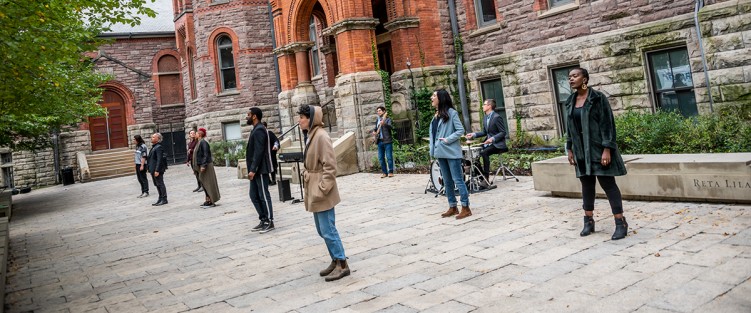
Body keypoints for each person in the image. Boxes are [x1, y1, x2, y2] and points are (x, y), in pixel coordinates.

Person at [565, 67, 629, 240]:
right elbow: (569, 129)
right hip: (580, 152)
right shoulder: (570, 101)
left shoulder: (597, 98)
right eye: (569, 76)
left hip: (598, 150)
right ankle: (588, 221)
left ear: (585, 79)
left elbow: (607, 124)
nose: (571, 79)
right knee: (587, 185)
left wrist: (607, 148)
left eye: (575, 76)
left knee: (608, 185)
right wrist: (569, 148)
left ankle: (620, 222)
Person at [297, 104, 350, 282]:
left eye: (302, 117)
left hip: (321, 189)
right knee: (322, 230)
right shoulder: (311, 135)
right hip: (313, 186)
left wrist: (323, 187)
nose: (299, 120)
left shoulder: (321, 136)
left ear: (310, 119)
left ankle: (342, 264)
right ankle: (335, 260)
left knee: (328, 229)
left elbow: (330, 165)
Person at [430, 89, 471, 219]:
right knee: (447, 181)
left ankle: (466, 207)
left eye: (434, 95)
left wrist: (447, 139)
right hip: (440, 152)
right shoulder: (435, 116)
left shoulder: (451, 113)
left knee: (457, 180)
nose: (432, 97)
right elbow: (433, 135)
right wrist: (432, 150)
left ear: (441, 98)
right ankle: (452, 206)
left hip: (451, 152)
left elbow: (460, 130)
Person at [465, 99, 507, 189]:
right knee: (472, 153)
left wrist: (492, 139)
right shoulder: (485, 117)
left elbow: (503, 132)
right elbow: (484, 132)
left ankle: (486, 179)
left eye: (484, 104)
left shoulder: (497, 117)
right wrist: (474, 134)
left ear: (489, 106)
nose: (482, 106)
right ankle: (480, 177)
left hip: (498, 144)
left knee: (484, 153)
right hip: (487, 143)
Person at [246, 107, 275, 233]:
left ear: (254, 116)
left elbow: (258, 152)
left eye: (248, 115)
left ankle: (270, 221)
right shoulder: (255, 129)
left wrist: (253, 169)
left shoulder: (259, 130)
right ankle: (263, 219)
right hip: (255, 170)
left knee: (263, 195)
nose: (246, 117)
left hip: (260, 169)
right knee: (253, 195)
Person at [193, 128, 220, 208]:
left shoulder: (203, 143)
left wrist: (203, 165)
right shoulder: (199, 142)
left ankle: (211, 200)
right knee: (204, 184)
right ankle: (208, 199)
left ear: (200, 134)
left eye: (197, 133)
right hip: (202, 166)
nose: (195, 134)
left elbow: (206, 154)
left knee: (208, 183)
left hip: (206, 166)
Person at [370, 106, 394, 178]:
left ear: (383, 111)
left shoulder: (388, 119)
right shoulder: (377, 120)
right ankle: (384, 172)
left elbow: (391, 127)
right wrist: (374, 132)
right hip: (380, 141)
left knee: (389, 157)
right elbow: (375, 128)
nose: (378, 112)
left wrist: (384, 124)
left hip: (387, 141)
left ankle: (390, 172)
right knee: (381, 158)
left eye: (380, 110)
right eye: (377, 111)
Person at [148, 133, 168, 206]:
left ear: (158, 139)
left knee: (160, 183)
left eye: (153, 137)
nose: (151, 138)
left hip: (157, 169)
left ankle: (164, 198)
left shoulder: (158, 147)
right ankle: (160, 198)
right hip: (153, 169)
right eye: (152, 137)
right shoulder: (154, 147)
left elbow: (159, 159)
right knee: (157, 184)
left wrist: (157, 170)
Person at [262, 121, 280, 185]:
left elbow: (275, 140)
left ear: (266, 127)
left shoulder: (269, 133)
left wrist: (275, 146)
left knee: (272, 167)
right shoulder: (260, 135)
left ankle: (273, 180)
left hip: (270, 154)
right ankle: (268, 180)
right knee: (265, 168)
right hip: (263, 155)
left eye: (264, 126)